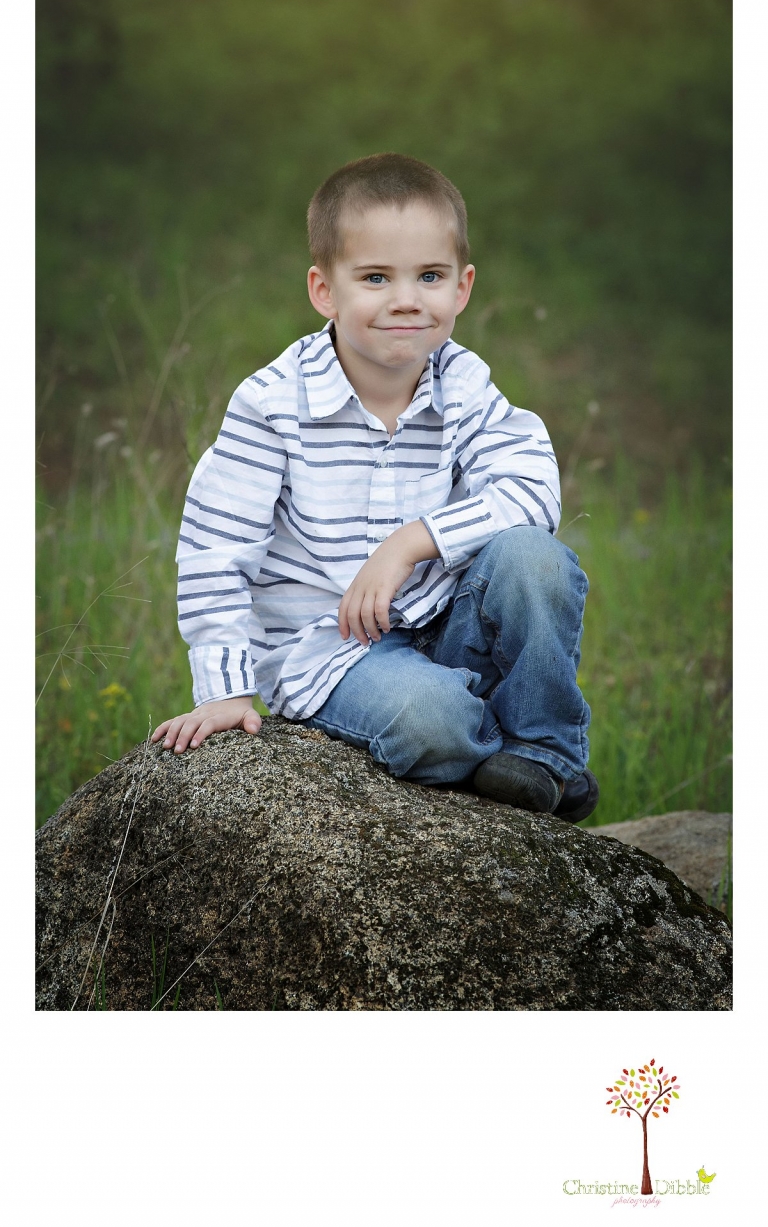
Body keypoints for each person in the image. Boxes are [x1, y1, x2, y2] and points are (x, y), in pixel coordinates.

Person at [152, 153, 598, 821]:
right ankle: (488, 737)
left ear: (463, 287)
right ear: (324, 290)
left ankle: (543, 755)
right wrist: (223, 689)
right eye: (375, 277)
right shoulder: (271, 403)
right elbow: (216, 547)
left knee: (535, 558)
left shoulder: (464, 383)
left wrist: (412, 542)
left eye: (429, 276)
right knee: (431, 718)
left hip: (445, 624)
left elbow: (533, 488)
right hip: (329, 654)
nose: (406, 299)